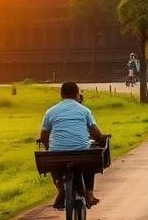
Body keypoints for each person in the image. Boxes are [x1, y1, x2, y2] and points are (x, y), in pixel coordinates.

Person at [40, 81, 108, 209]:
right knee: (89, 163)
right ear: (77, 94)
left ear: (61, 94)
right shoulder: (84, 110)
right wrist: (99, 139)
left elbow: (43, 136)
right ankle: (89, 193)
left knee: (54, 163)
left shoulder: (50, 111)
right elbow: (95, 132)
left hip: (58, 153)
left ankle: (61, 189)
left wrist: (48, 145)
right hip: (81, 151)